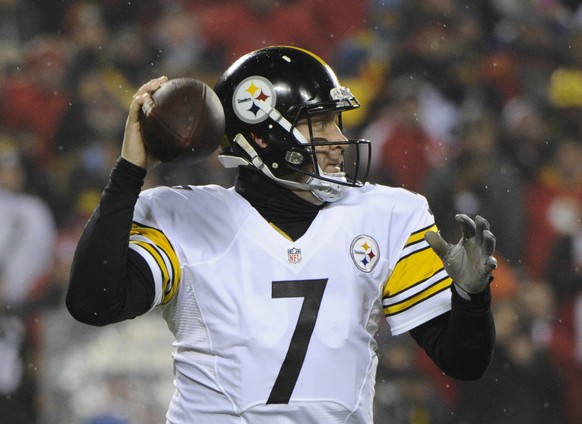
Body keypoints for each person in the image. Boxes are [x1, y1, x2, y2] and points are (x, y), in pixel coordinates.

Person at [66, 46, 498, 424]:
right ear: (262, 135)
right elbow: (94, 304)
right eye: (321, 124)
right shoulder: (185, 216)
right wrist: (128, 173)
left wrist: (471, 299)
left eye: (337, 122)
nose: (339, 140)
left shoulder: (387, 215)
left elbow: (463, 361)